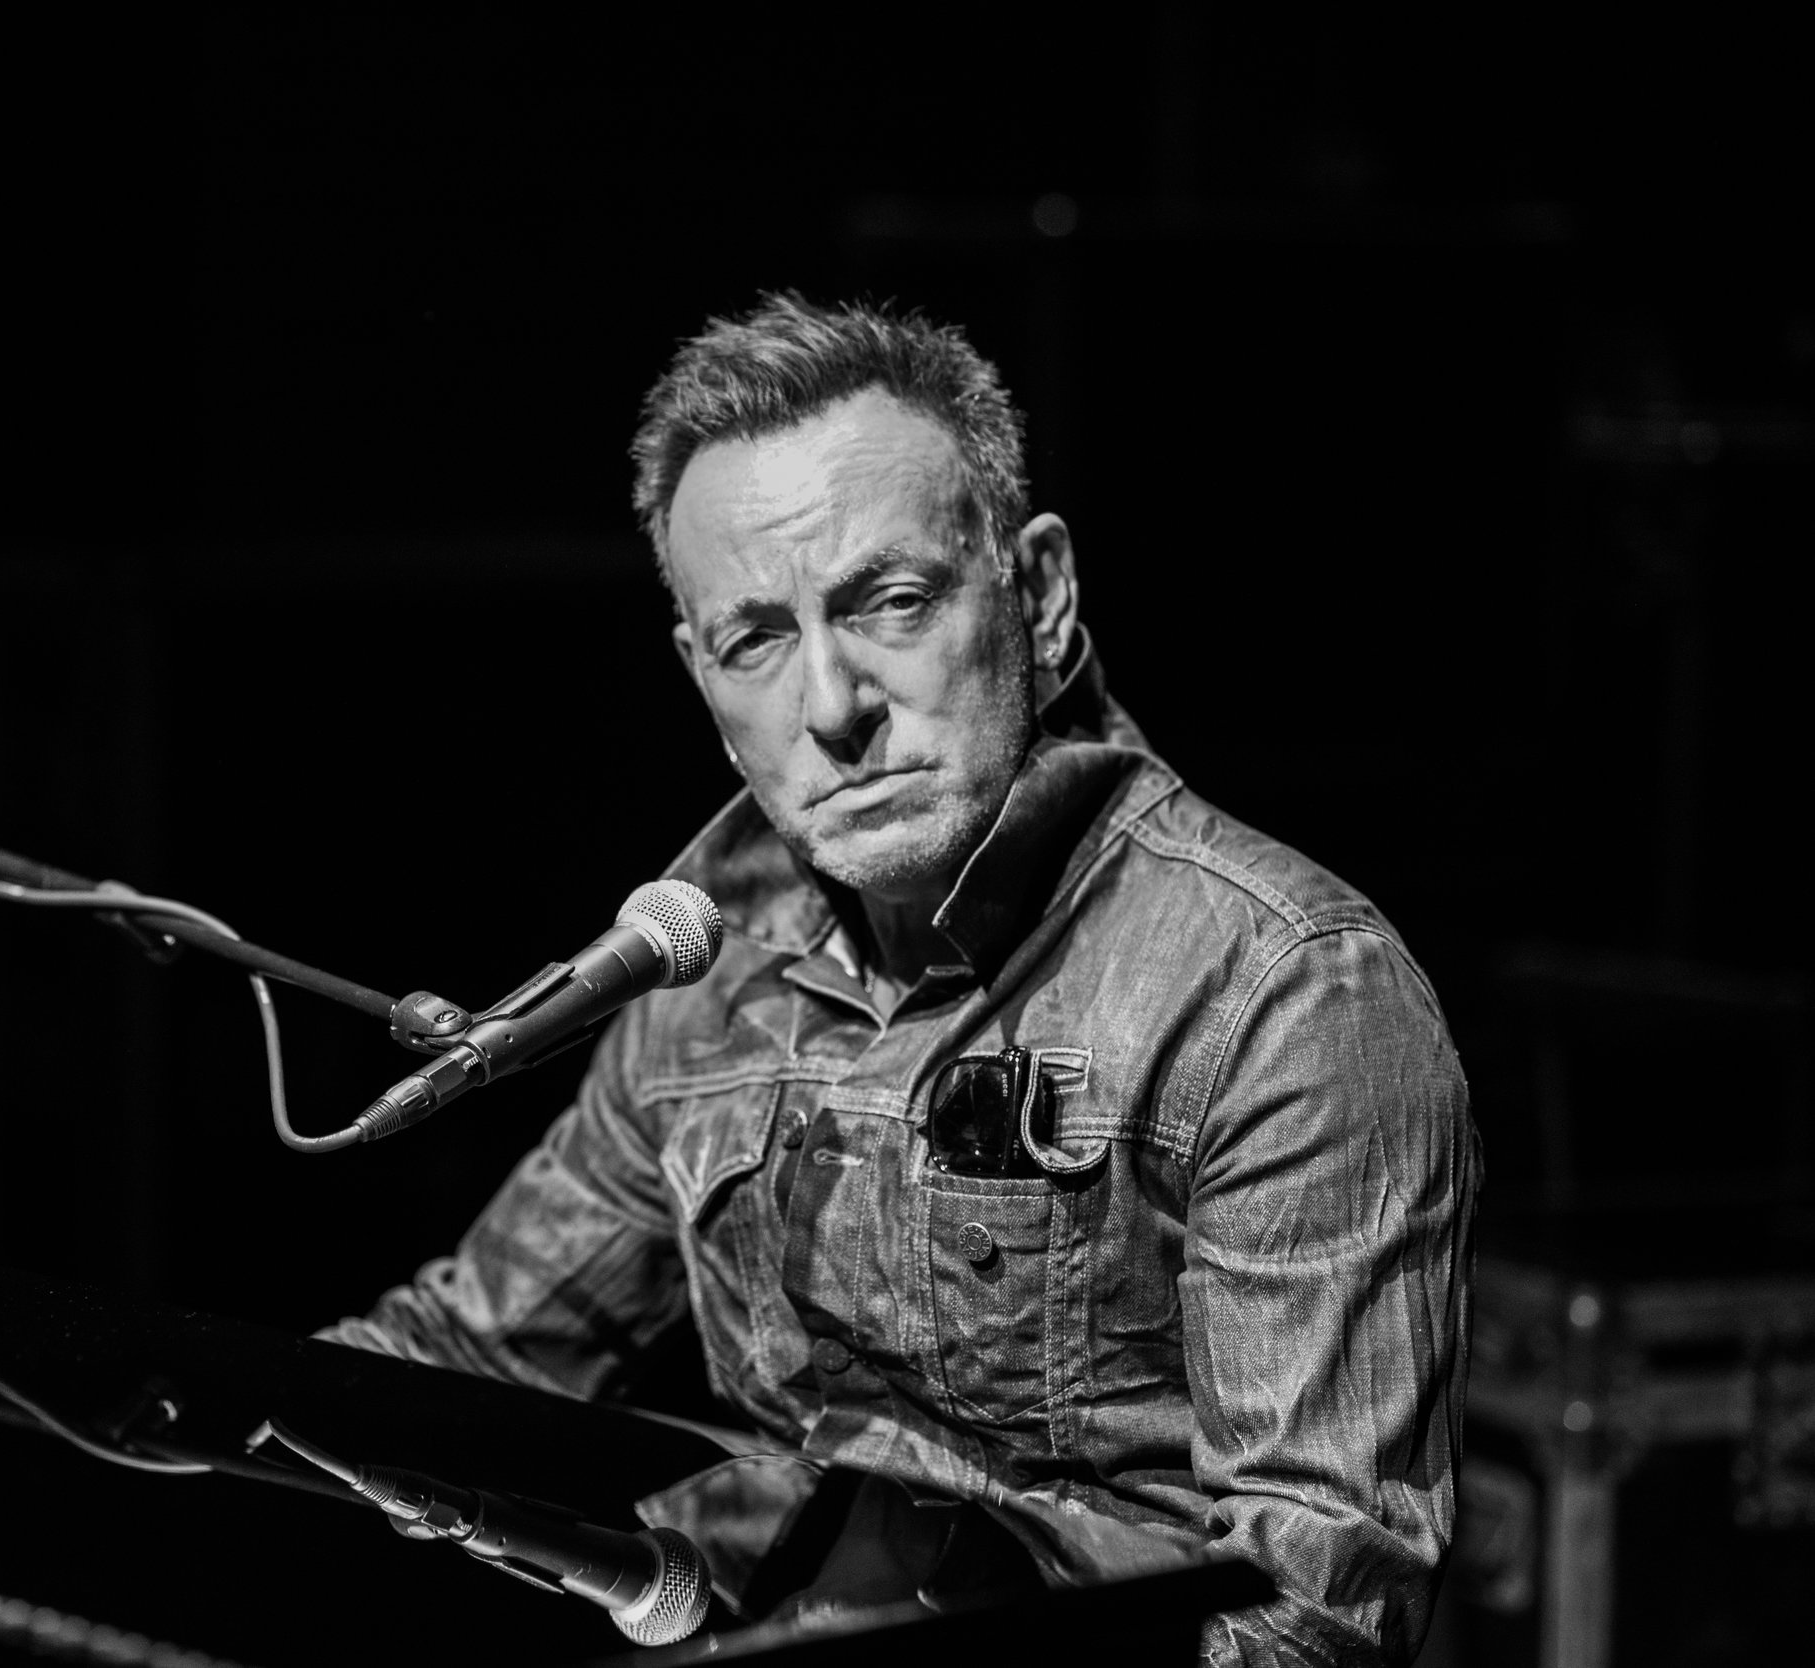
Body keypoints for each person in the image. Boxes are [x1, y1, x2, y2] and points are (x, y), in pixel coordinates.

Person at [323, 293, 1478, 1665]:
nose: (831, 706)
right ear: (700, 673)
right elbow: (470, 1360)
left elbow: (1310, 1619)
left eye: (892, 601)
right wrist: (154, 1412)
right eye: (757, 640)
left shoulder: (1285, 994)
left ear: (1039, 594)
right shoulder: (703, 980)